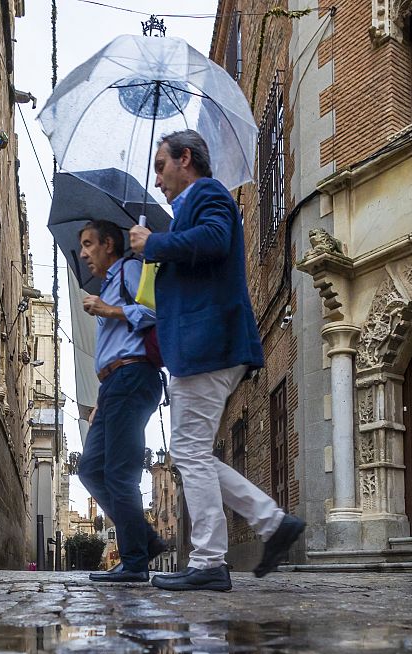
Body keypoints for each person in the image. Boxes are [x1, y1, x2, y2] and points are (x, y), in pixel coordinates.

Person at [128, 130, 304, 592]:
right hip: (201, 345)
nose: (158, 178)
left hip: (208, 343)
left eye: (161, 166)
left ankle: (209, 561)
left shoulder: (208, 193)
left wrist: (156, 243)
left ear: (186, 159)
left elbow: (212, 240)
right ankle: (273, 524)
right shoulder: (189, 205)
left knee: (188, 453)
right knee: (193, 454)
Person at [74, 219, 167, 582]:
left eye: (88, 244)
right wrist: (100, 397)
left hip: (134, 376)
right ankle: (145, 541)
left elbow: (155, 312)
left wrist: (107, 309)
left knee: (119, 472)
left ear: (109, 244)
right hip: (113, 385)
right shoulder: (108, 284)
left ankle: (134, 561)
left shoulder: (130, 269)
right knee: (90, 469)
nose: (83, 254)